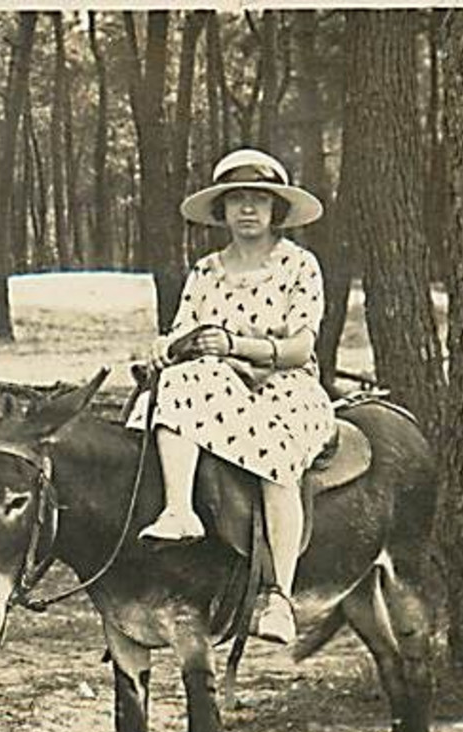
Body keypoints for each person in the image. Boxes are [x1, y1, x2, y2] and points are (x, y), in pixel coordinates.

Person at [131, 148, 335, 645]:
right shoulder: (205, 272)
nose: (248, 210)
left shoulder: (299, 265)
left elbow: (301, 347)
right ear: (221, 211)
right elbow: (185, 332)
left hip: (284, 380)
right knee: (176, 385)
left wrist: (237, 345)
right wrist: (167, 348)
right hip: (218, 385)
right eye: (236, 200)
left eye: (259, 200)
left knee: (278, 443)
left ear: (275, 211)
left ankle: (279, 597)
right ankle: (179, 511)